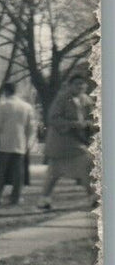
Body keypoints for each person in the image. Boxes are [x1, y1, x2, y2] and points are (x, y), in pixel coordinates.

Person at [39, 67, 97, 211]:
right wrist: (74, 124)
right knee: (54, 174)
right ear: (70, 85)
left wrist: (90, 125)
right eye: (76, 84)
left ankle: (93, 197)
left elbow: (92, 118)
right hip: (60, 142)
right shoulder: (62, 98)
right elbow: (53, 118)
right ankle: (44, 200)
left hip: (76, 142)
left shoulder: (86, 100)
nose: (80, 86)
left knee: (86, 166)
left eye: (82, 84)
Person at [0, 80, 38, 207]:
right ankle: (16, 198)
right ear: (16, 91)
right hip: (20, 144)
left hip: (2, 144)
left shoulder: (2, 105)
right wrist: (29, 143)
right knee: (17, 174)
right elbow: (31, 128)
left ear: (5, 91)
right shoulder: (27, 107)